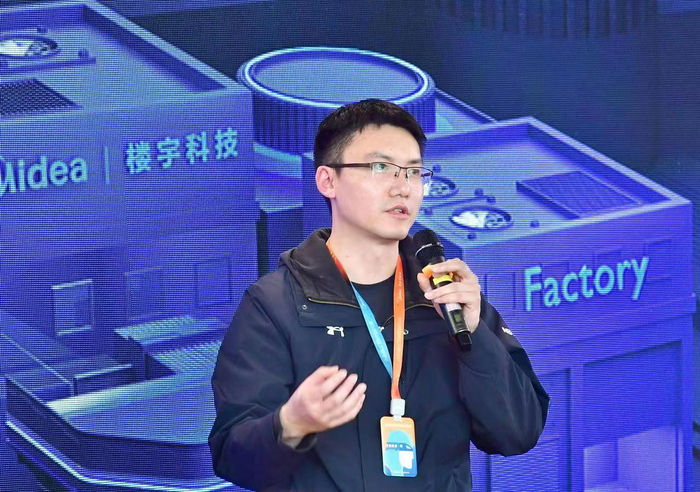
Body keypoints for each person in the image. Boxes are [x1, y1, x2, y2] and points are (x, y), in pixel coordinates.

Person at [209, 99, 550, 491]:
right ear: (328, 181)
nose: (402, 187)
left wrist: (475, 336)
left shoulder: (446, 294)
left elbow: (519, 432)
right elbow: (232, 456)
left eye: (414, 172)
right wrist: (290, 424)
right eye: (379, 167)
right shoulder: (274, 305)